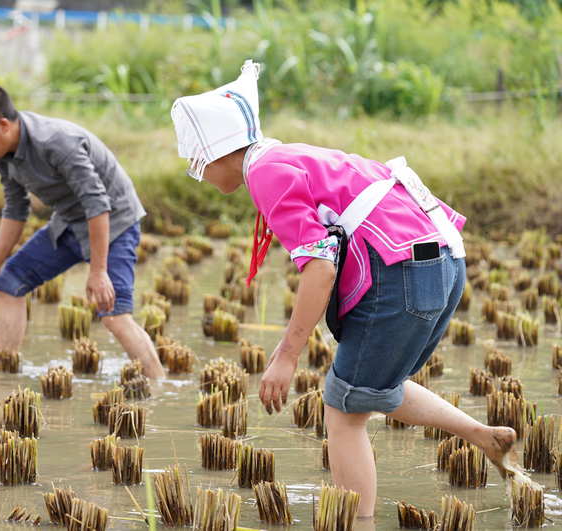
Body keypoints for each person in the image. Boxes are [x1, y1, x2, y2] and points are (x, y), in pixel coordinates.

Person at [170, 61, 518, 516]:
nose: (200, 175)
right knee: (369, 387)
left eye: (196, 165)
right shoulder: (290, 156)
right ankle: (483, 436)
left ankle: (359, 523)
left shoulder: (266, 173)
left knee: (342, 413)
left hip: (404, 273)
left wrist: (287, 354)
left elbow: (320, 268)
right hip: (445, 265)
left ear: (215, 153)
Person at [0, 82, 165, 378]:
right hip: (70, 221)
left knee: (114, 314)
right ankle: (6, 375)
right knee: (9, 282)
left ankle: (159, 386)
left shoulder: (56, 141)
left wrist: (98, 270)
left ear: (2, 125)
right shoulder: (3, 154)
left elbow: (97, 203)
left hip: (114, 220)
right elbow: (16, 208)